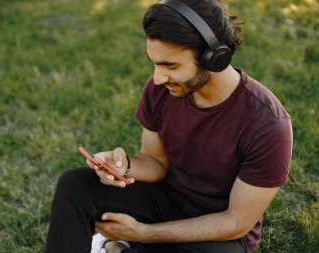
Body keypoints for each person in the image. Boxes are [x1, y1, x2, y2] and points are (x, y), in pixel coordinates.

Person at [45, 0, 293, 252]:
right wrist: (124, 166)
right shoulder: (159, 90)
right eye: (155, 63)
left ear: (213, 58)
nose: (158, 78)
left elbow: (235, 222)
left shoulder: (268, 125)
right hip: (166, 199)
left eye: (170, 65)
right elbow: (156, 163)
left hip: (218, 232)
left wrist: (142, 233)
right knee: (75, 184)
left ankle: (120, 247)